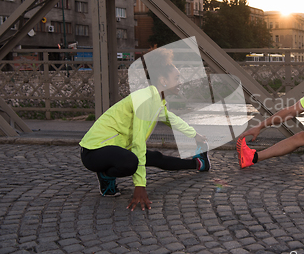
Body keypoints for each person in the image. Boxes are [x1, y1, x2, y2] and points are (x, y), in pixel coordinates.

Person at [79, 48, 210, 211]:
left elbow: (172, 120)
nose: (181, 82)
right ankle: (106, 175)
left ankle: (199, 163)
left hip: (116, 148)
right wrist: (140, 186)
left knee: (156, 157)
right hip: (94, 151)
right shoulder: (146, 99)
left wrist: (195, 135)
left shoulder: (156, 99)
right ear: (163, 80)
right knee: (131, 162)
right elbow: (138, 142)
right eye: (177, 78)